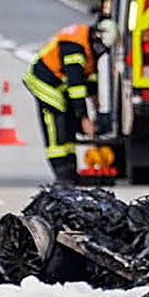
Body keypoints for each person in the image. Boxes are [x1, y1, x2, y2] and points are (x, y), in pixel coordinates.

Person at [24, 20, 113, 183]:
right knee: (57, 122)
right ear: (95, 37)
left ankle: (71, 170)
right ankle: (61, 172)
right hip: (45, 82)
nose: (101, 52)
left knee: (70, 122)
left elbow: (90, 79)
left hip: (61, 84)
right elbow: (76, 86)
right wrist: (84, 118)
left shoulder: (91, 47)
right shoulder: (74, 46)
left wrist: (96, 105)